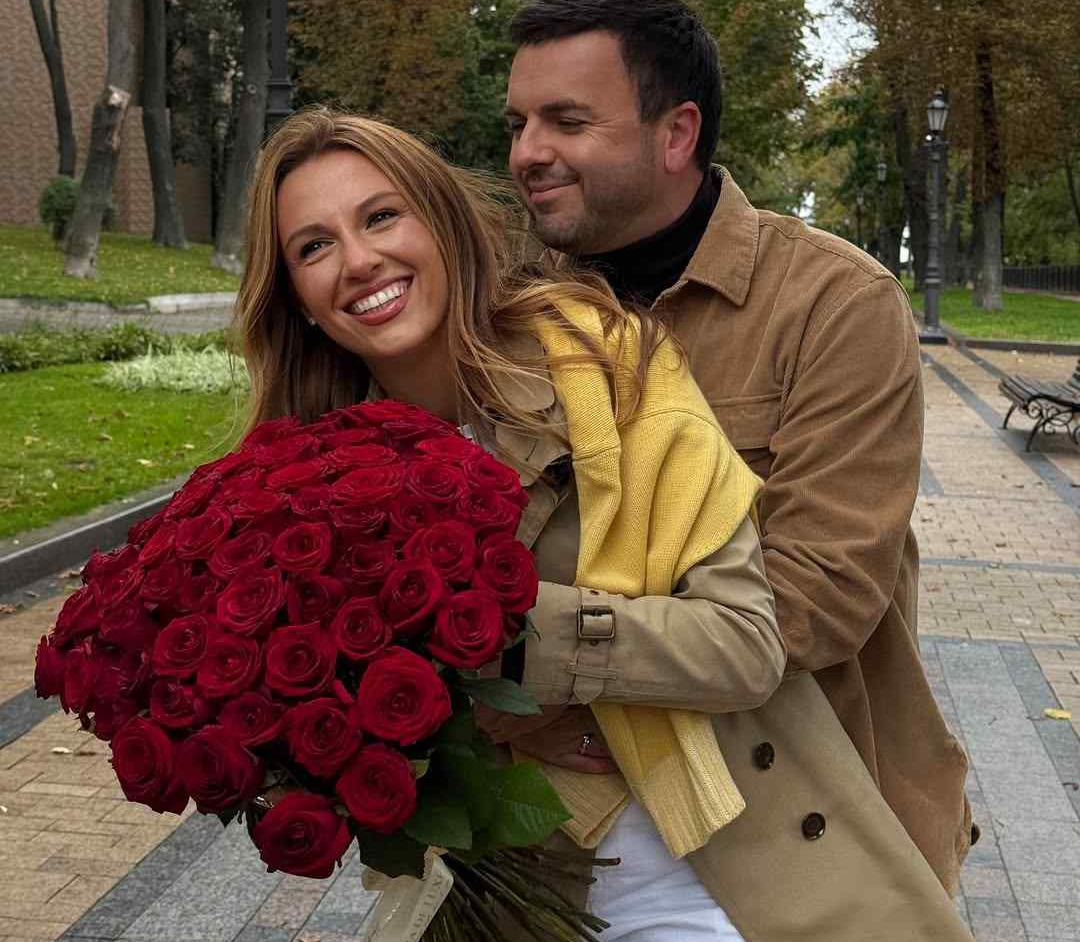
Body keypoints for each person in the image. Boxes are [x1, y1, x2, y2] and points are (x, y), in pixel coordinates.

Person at [234, 108, 974, 942]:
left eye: (380, 216)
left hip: (721, 873)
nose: (359, 259)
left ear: (441, 223)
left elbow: (744, 642)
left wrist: (510, 647)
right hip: (513, 887)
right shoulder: (302, 482)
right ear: (296, 296)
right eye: (314, 246)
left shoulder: (609, 364)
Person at [500, 0, 974, 902]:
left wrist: (550, 671)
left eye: (566, 121)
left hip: (792, 822)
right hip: (551, 821)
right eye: (518, 123)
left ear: (676, 133)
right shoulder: (508, 308)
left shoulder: (834, 302)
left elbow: (819, 595)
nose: (528, 152)